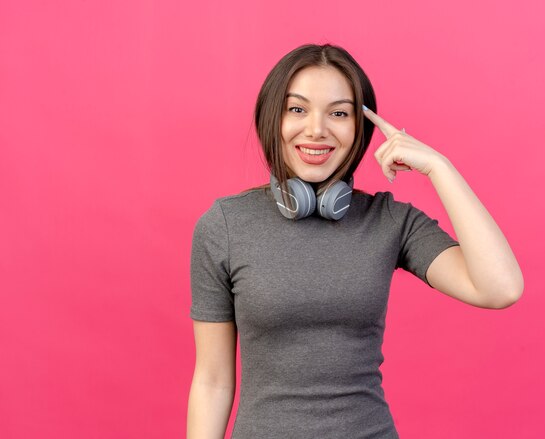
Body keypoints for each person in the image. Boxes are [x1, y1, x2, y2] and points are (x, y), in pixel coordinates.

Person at [186, 43, 524, 439]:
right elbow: (212, 381)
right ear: (271, 118)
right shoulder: (224, 225)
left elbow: (501, 288)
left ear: (359, 129)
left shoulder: (390, 221)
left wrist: (439, 168)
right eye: (297, 109)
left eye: (339, 113)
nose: (316, 129)